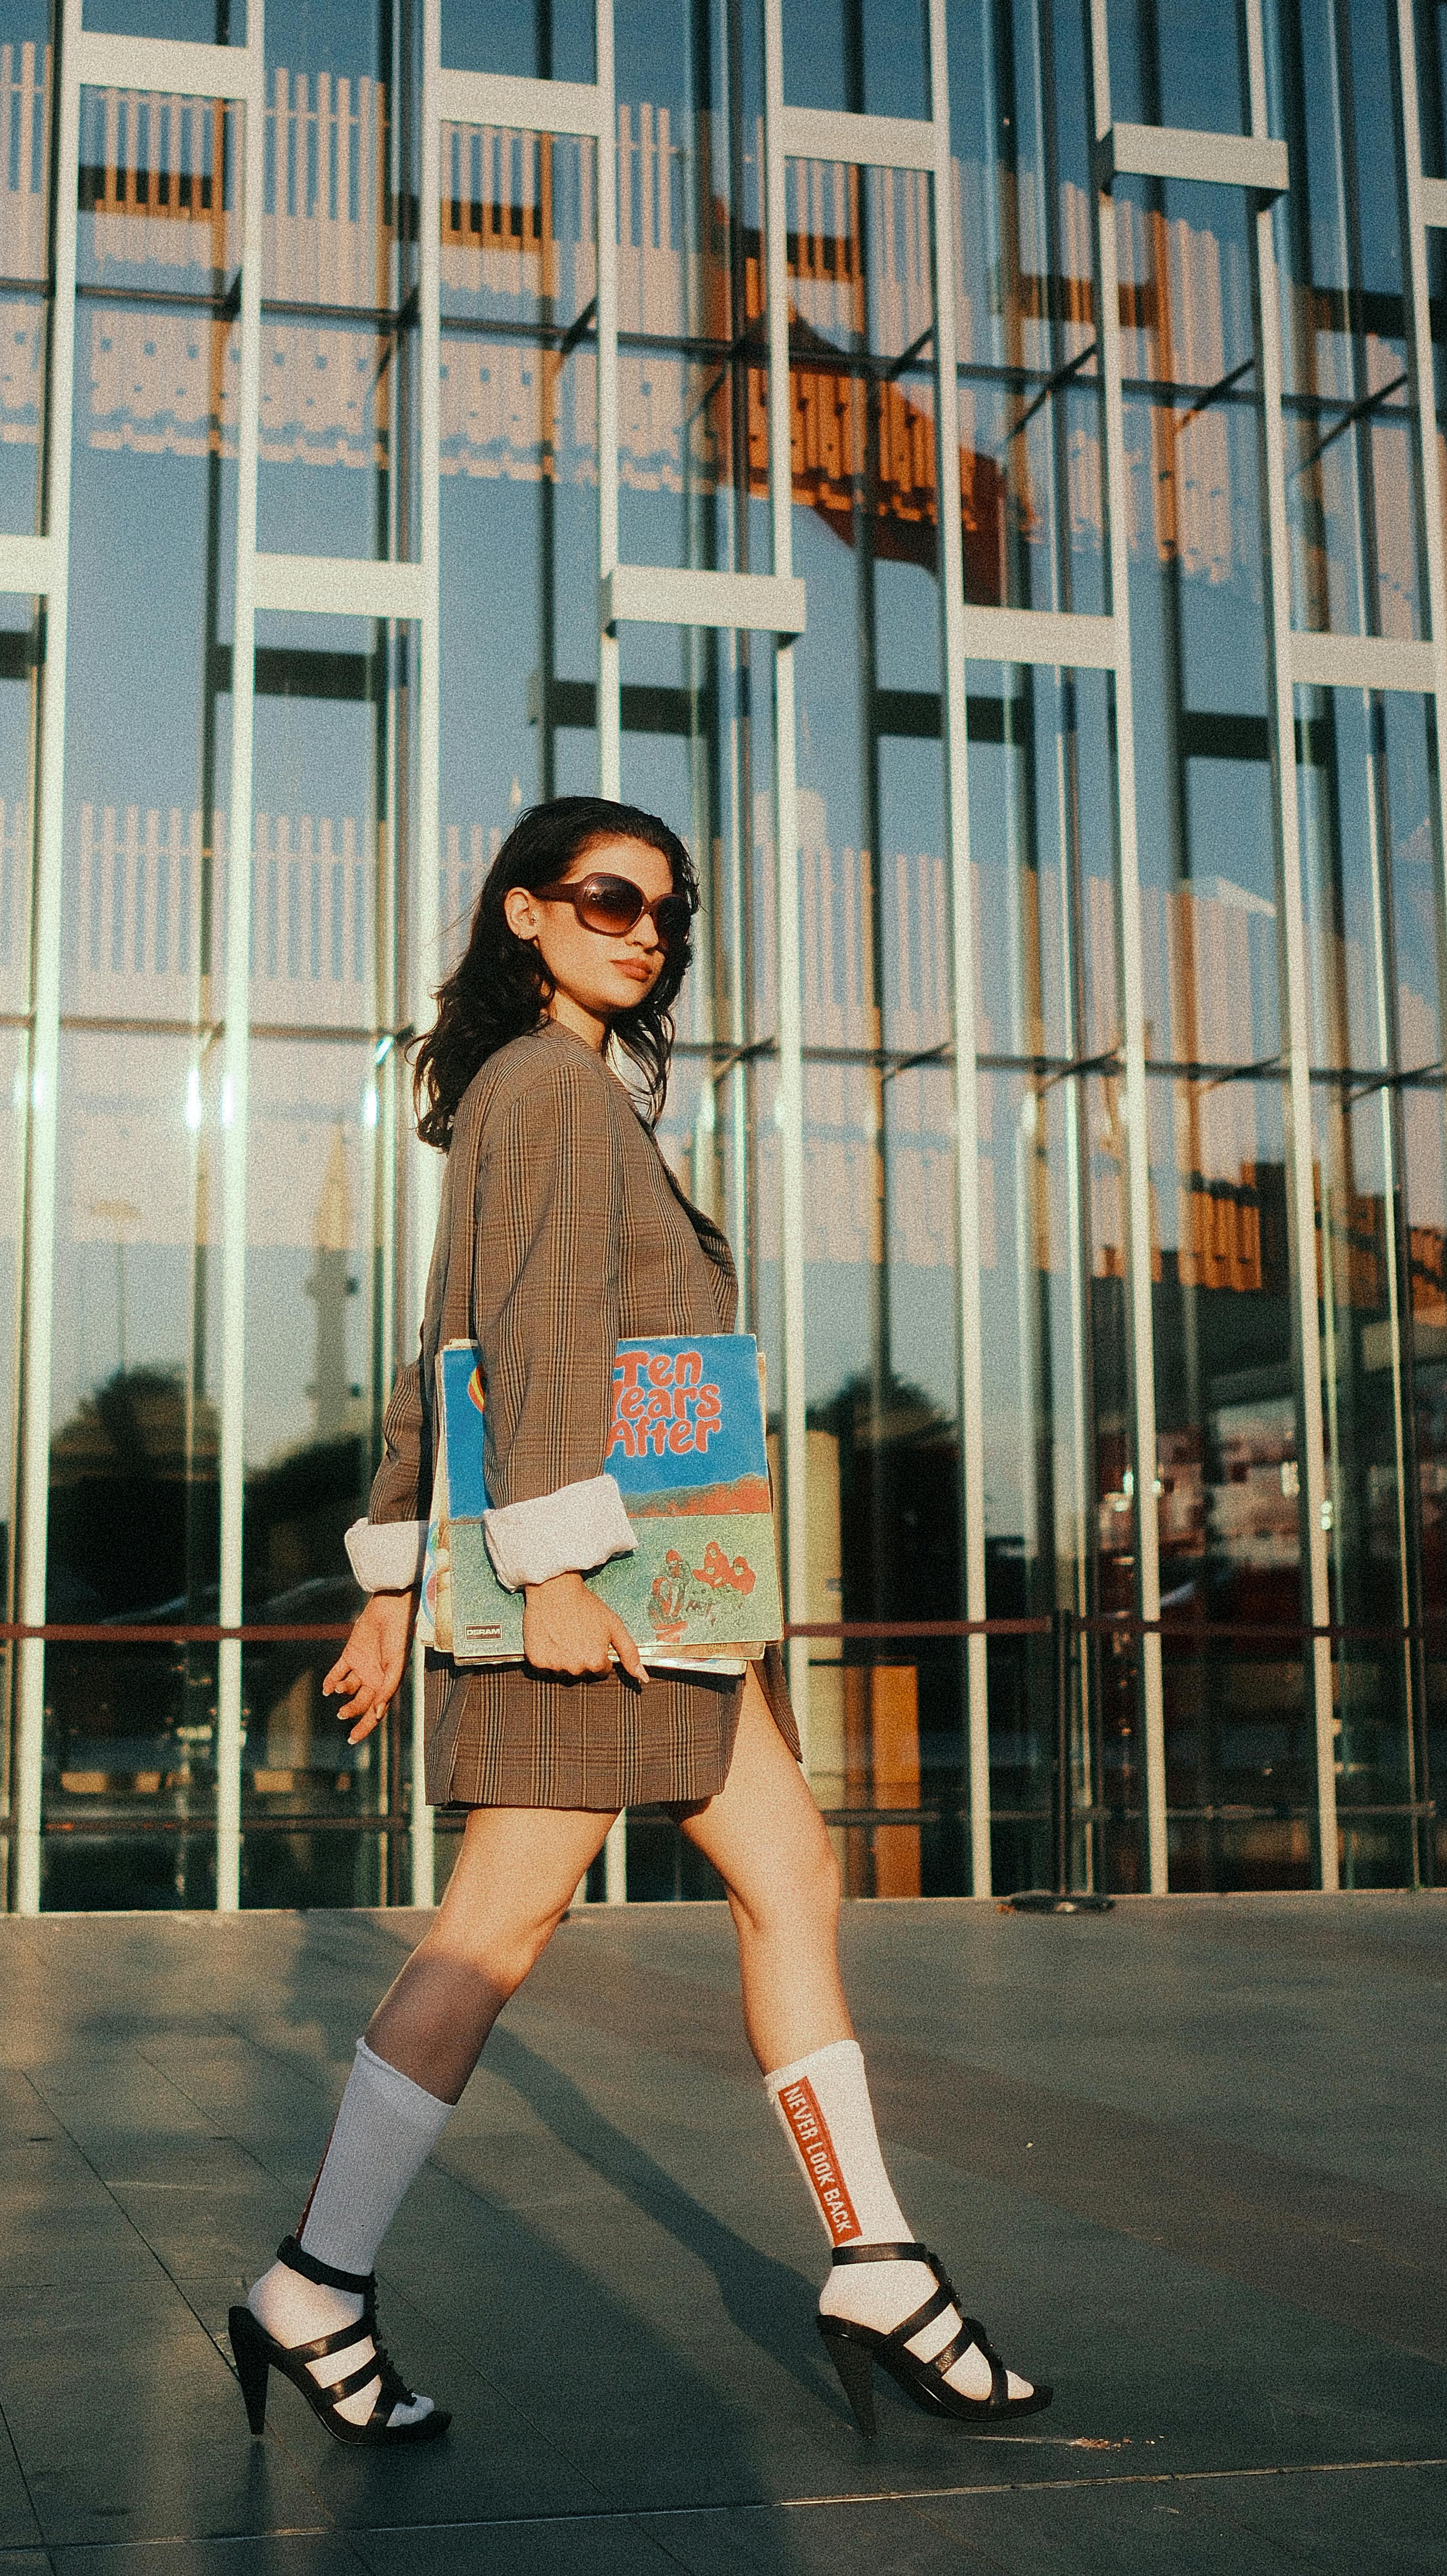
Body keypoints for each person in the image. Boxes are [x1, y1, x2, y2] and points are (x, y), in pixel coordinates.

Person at [228, 798, 1050, 2448]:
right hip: (596, 1596)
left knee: (787, 1872)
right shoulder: (544, 1090)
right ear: (524, 913)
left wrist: (394, 1577)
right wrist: (535, 1576)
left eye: (668, 910)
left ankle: (873, 2252)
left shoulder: (536, 1096)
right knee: (493, 1933)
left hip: (647, 1599)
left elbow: (434, 1360)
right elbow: (526, 1339)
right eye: (609, 899)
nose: (645, 931)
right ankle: (317, 2282)